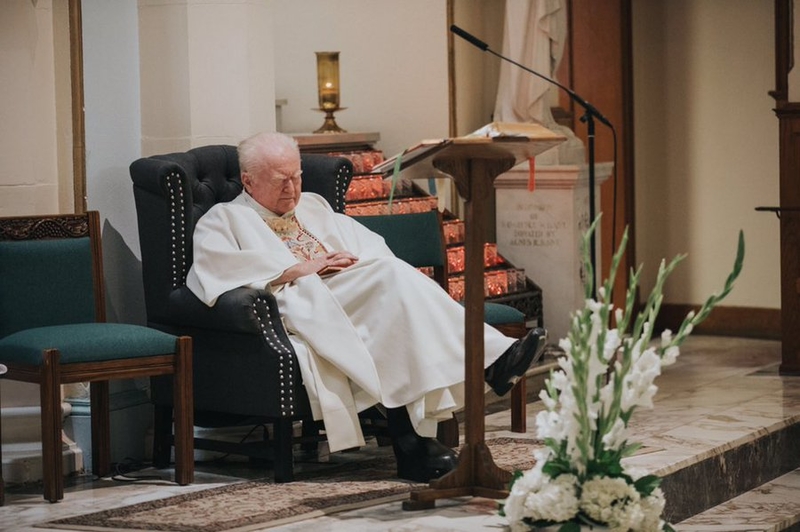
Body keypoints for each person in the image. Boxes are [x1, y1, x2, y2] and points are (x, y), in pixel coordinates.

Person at [186, 131, 547, 482]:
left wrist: (352, 265)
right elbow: (213, 272)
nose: (292, 189)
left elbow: (371, 249)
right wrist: (300, 268)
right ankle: (490, 363)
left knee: (394, 293)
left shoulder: (313, 206)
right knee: (392, 283)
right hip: (301, 302)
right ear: (248, 181)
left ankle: (415, 446)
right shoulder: (224, 219)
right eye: (281, 181)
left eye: (297, 177)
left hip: (355, 291)